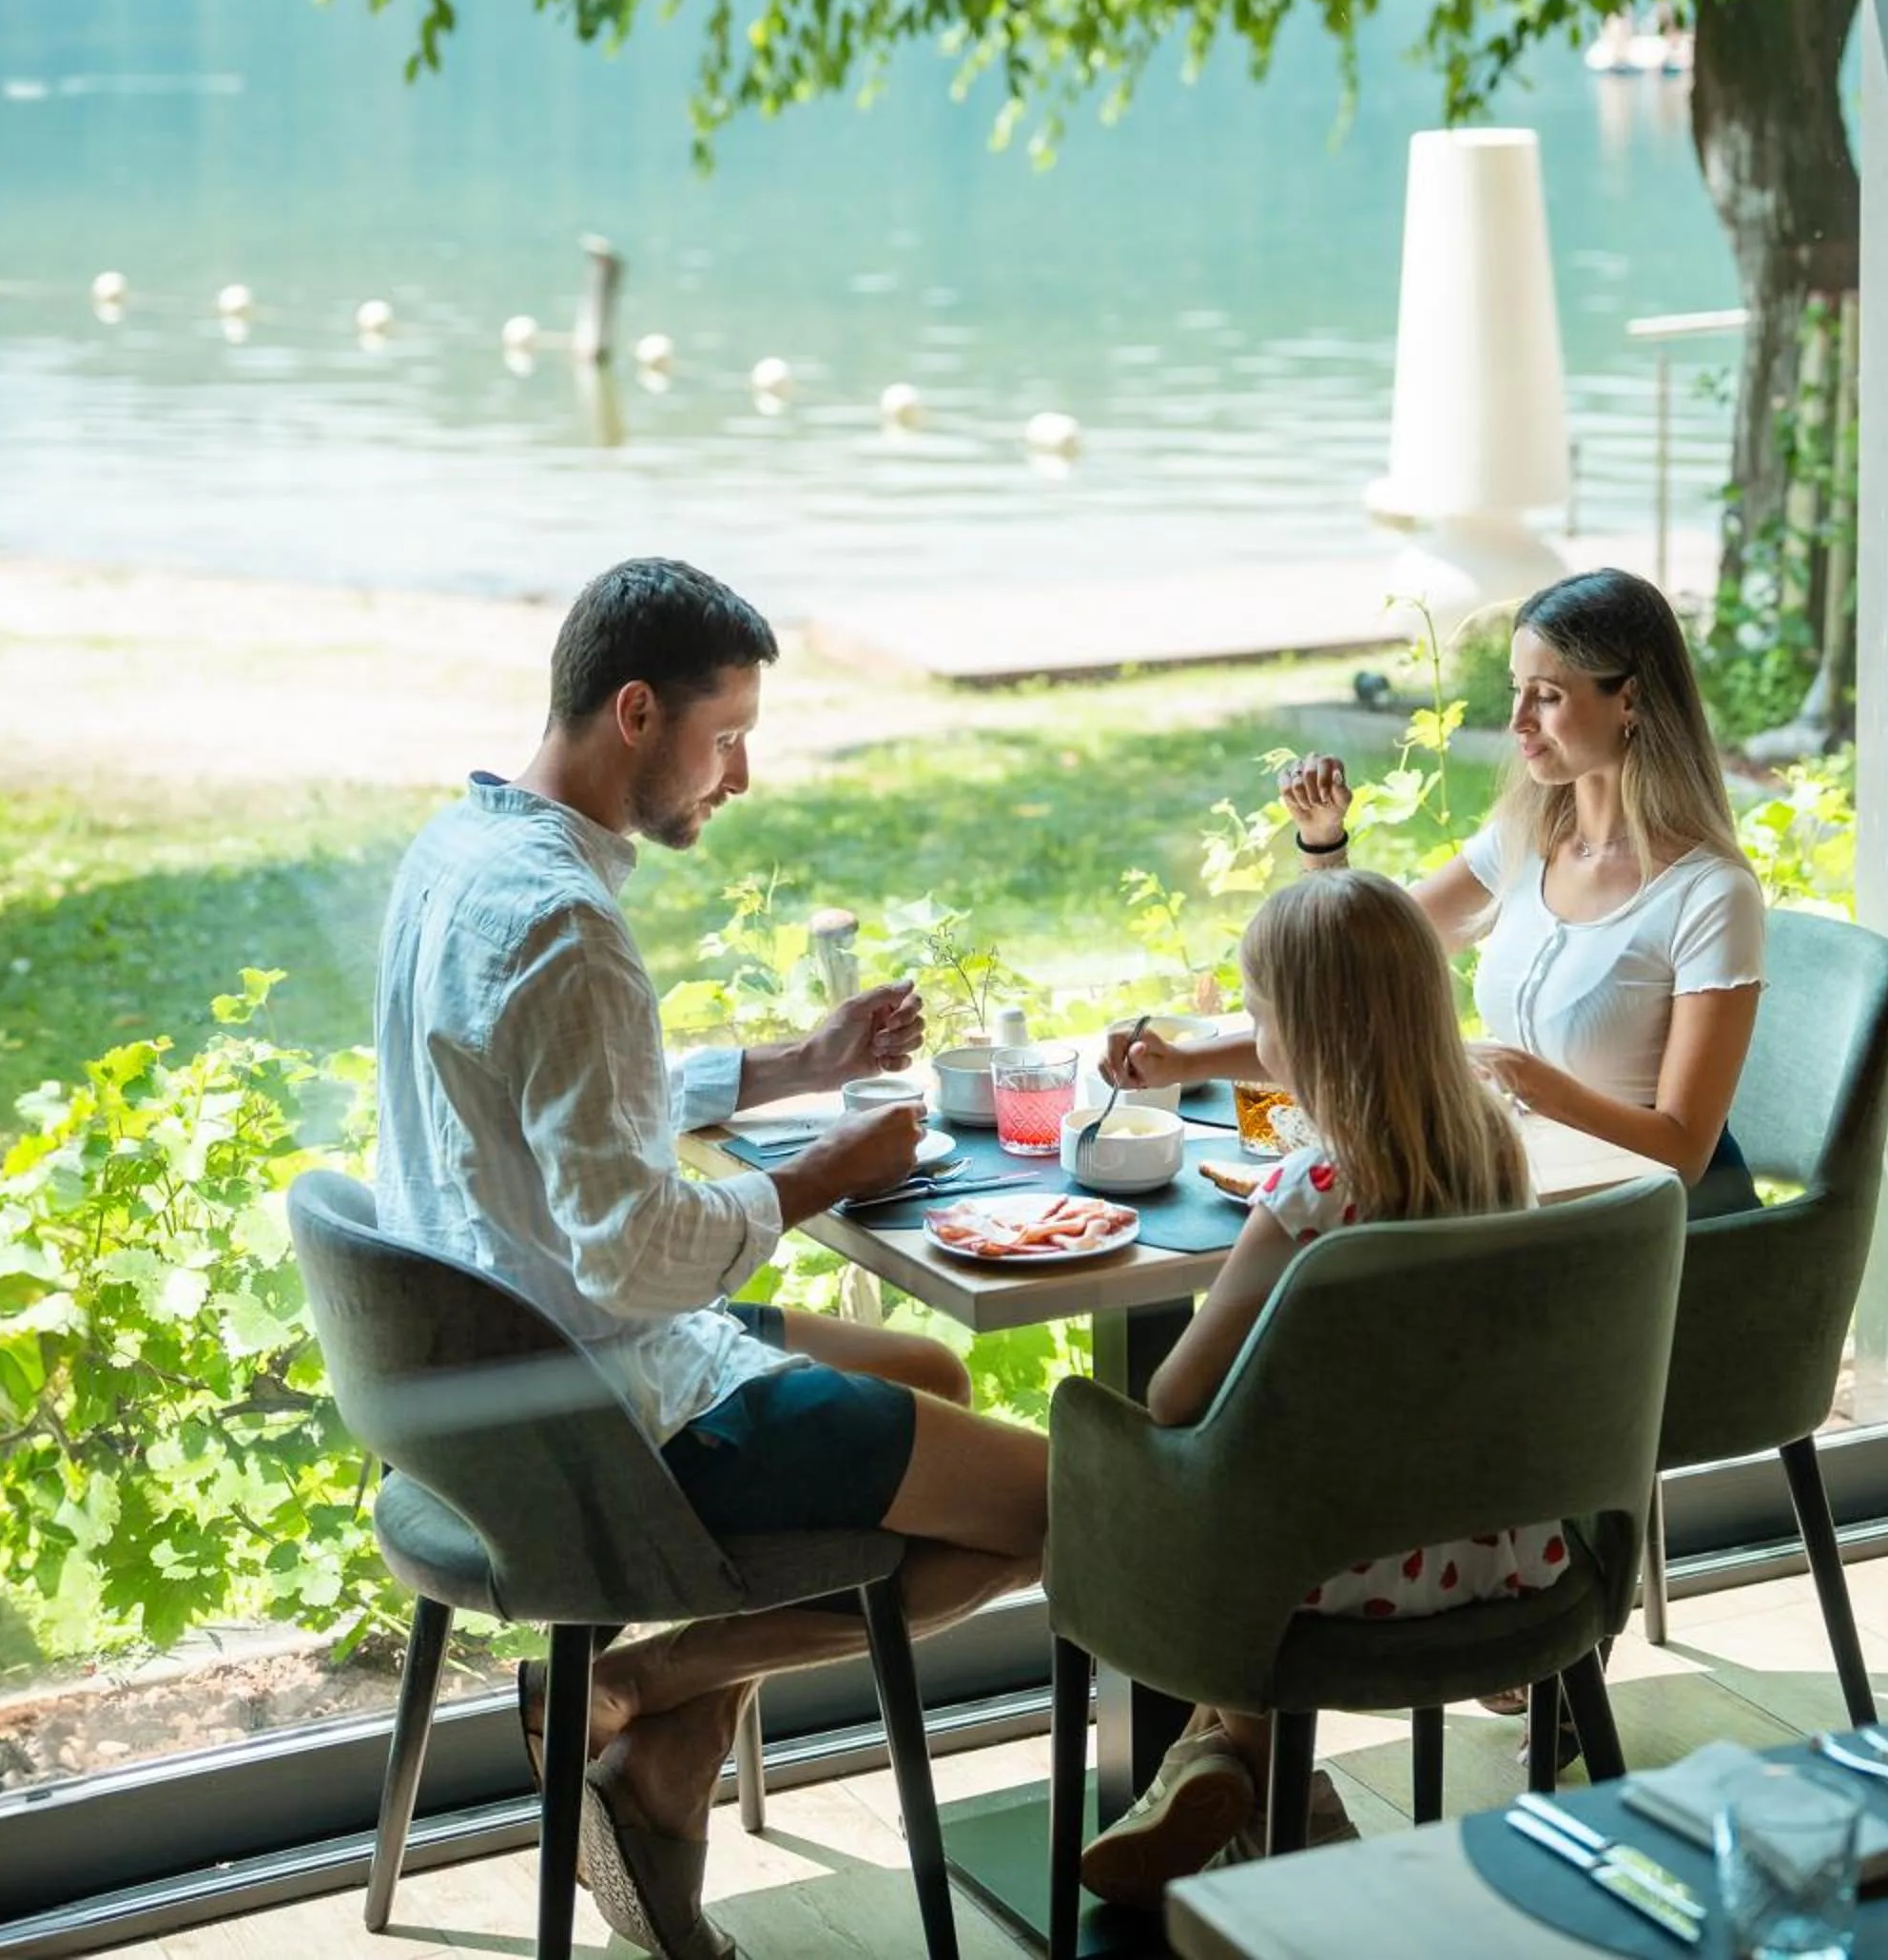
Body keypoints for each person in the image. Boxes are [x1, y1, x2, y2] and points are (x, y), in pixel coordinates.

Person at [373, 557, 1048, 1960]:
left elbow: (552, 1091)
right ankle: (648, 1683)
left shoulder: (469, 850)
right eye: (727, 732)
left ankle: (662, 1769)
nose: (739, 774)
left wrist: (796, 1064)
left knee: (926, 1362)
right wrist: (819, 1179)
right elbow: (628, 1252)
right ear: (636, 711)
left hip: (502, 1365)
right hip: (608, 1411)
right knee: (1062, 1507)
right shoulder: (568, 924)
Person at [1077, 868, 1567, 1909]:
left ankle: (1254, 1781)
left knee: (1194, 1492)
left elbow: (1171, 1395)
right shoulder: (1494, 1151)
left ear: (1299, 1032)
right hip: (1505, 1551)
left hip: (1329, 1584)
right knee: (1275, 1501)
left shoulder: (1314, 1189)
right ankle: (1237, 1779)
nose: (1254, 1031)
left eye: (1258, 1014)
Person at [1110, 567, 1766, 1216]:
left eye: (1547, 695)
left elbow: (1684, 1152)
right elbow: (1356, 980)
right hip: (1527, 1202)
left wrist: (1526, 1082)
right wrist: (1179, 1062)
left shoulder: (1710, 896)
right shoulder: (1522, 840)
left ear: (1630, 698)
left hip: (1656, 1237)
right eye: (1517, 690)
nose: (1516, 721)